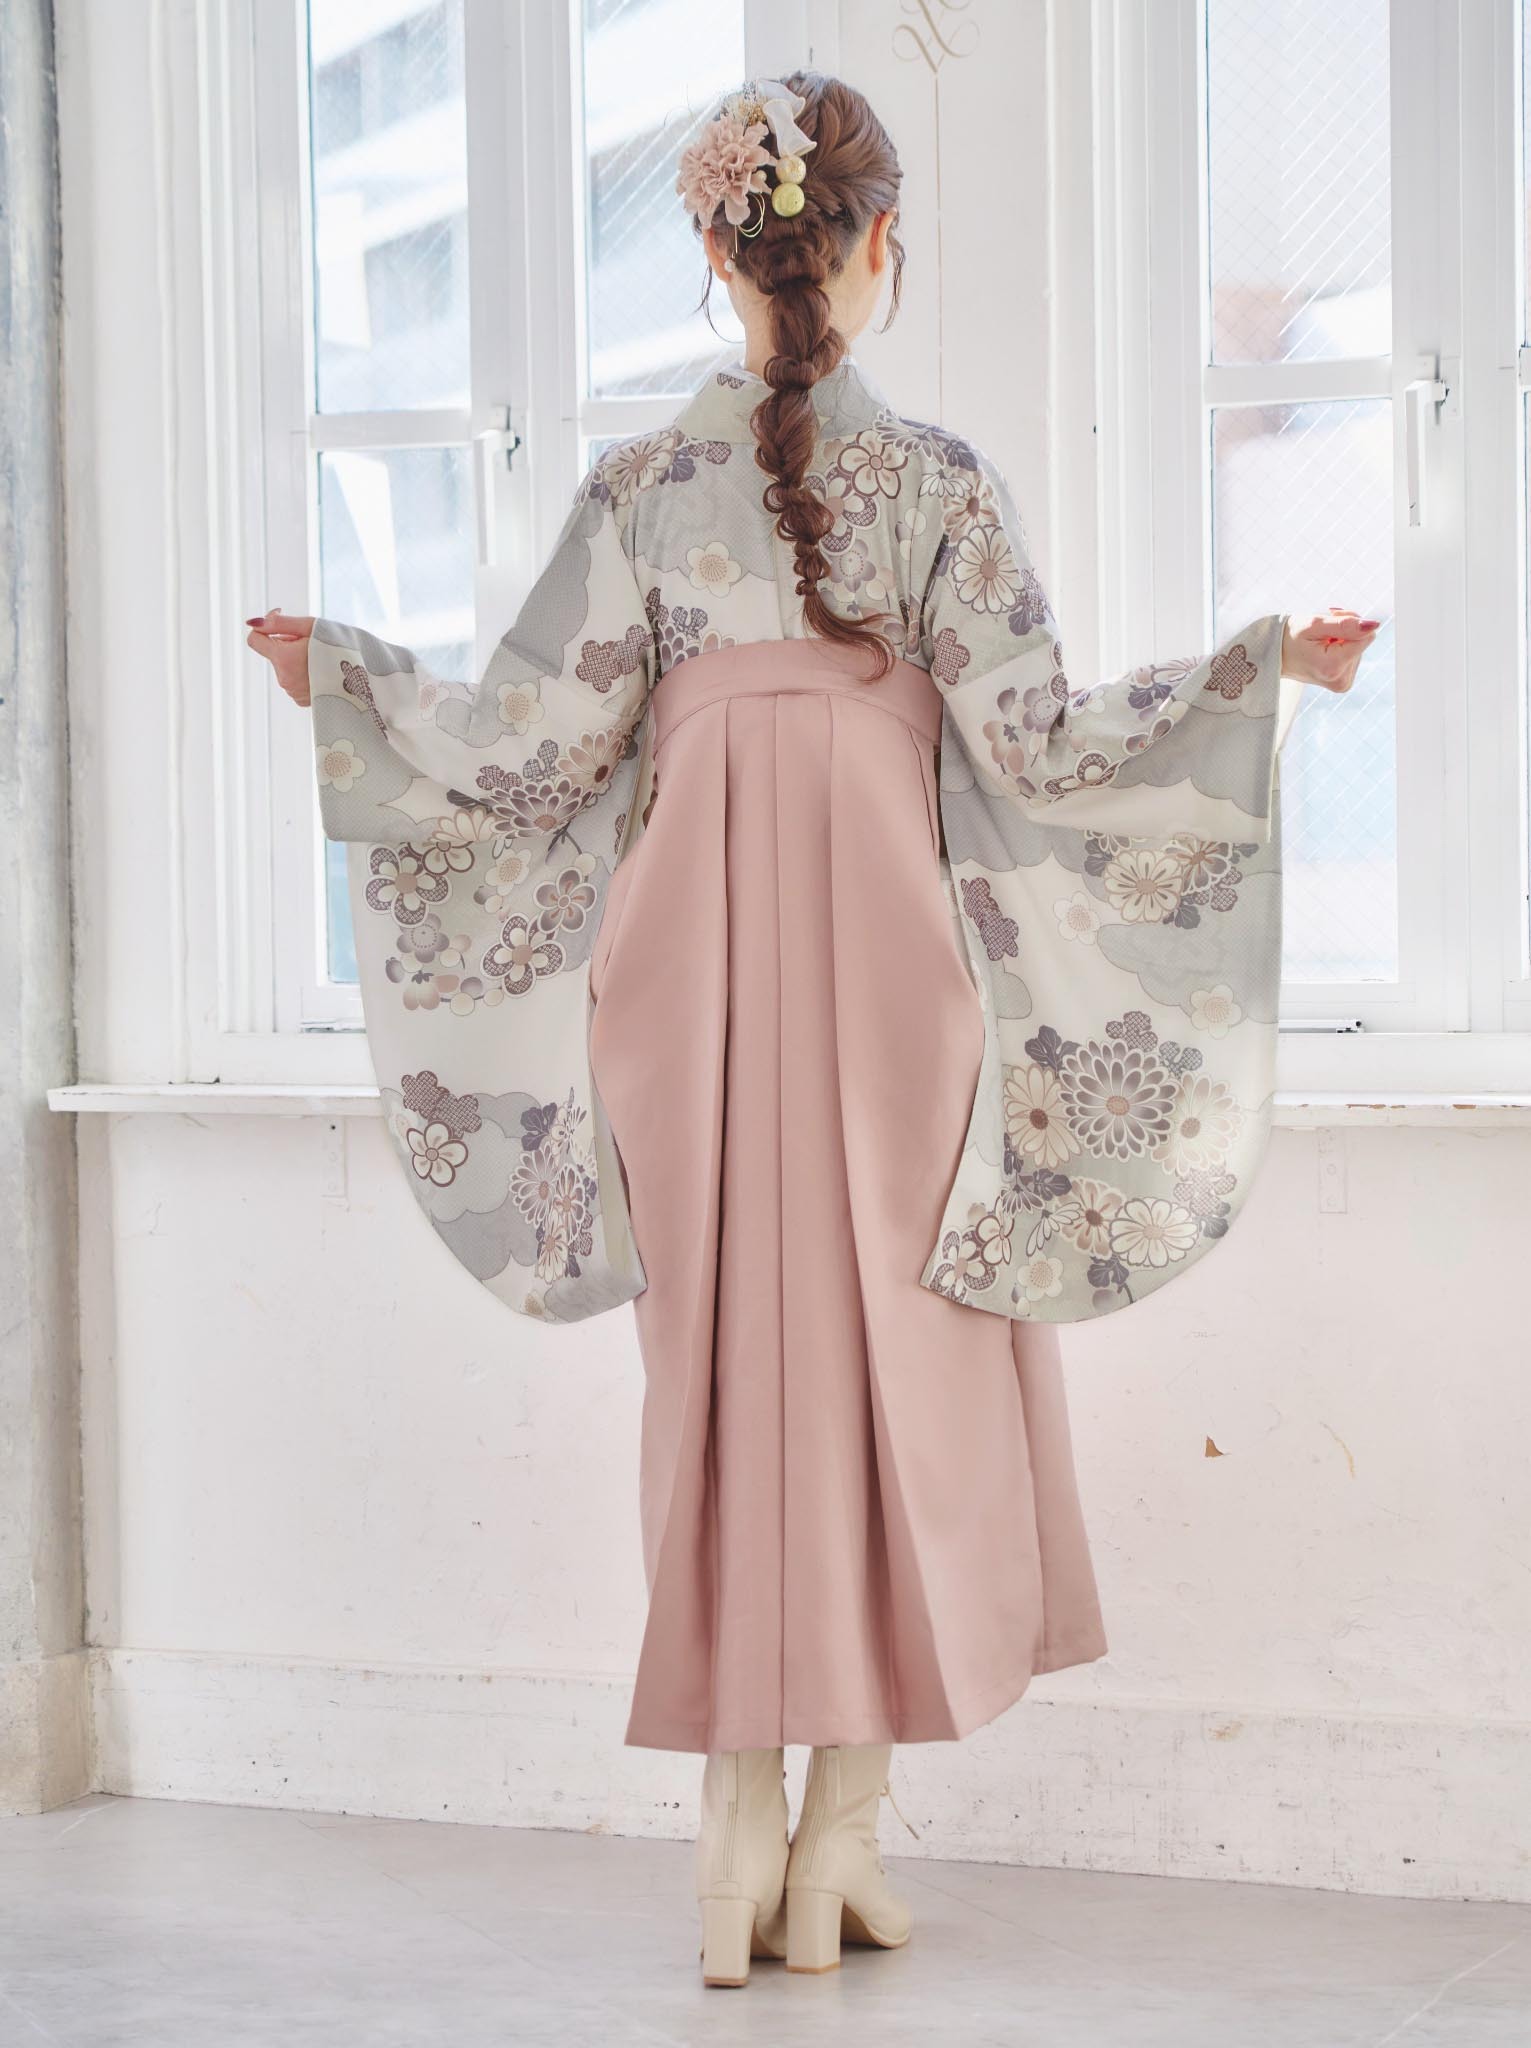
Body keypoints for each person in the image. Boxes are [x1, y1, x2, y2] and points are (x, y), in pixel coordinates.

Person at [249, 72, 1377, 1990]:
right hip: (894, 987)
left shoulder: (637, 494)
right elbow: (1040, 744)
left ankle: (739, 1847)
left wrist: (348, 684)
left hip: (678, 994)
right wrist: (1254, 677)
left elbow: (524, 750)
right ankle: (840, 1835)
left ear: (713, 247)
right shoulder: (936, 487)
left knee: (719, 1386)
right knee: (905, 1383)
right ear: (879, 247)